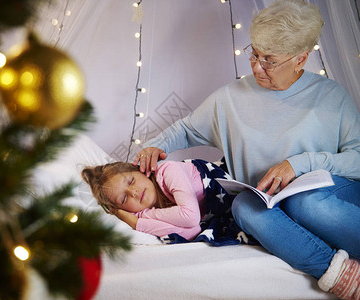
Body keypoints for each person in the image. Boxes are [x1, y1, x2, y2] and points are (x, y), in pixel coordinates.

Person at [133, 0, 360, 299]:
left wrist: (300, 164)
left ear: (301, 59)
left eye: (269, 59)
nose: (256, 66)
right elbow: (187, 129)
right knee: (242, 207)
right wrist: (155, 146)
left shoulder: (331, 96)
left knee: (304, 202)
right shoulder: (230, 98)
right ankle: (343, 276)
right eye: (253, 54)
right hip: (268, 202)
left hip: (329, 198)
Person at [81, 159, 254, 245]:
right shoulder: (142, 212)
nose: (133, 192)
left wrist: (142, 219)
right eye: (124, 198)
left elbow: (190, 218)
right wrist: (135, 222)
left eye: (132, 181)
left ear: (142, 172)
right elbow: (192, 232)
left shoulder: (168, 171)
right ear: (121, 208)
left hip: (238, 185)